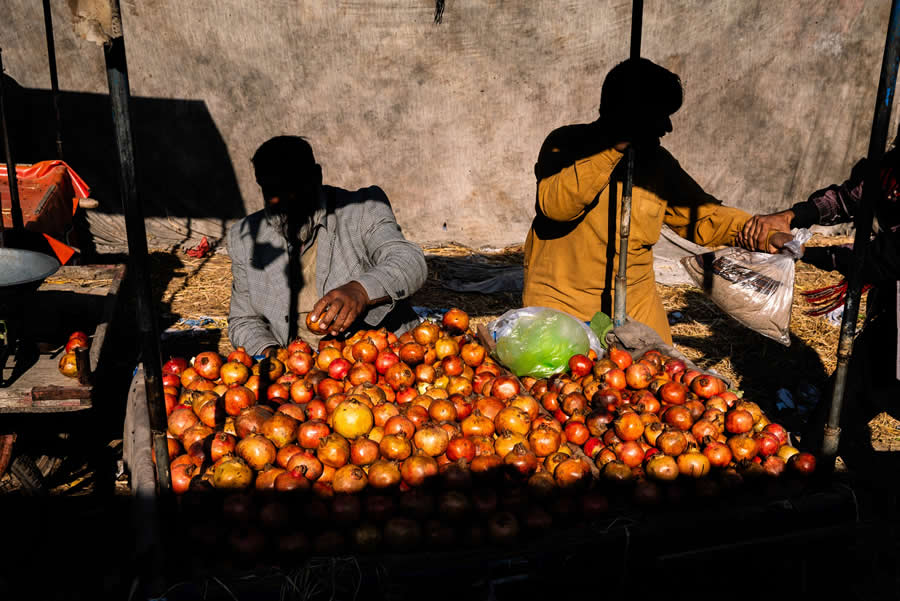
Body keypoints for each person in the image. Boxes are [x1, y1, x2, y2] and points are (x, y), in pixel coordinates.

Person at [523, 58, 754, 344]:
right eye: (660, 115)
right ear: (632, 113)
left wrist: (758, 230)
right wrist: (613, 148)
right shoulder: (567, 143)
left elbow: (702, 216)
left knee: (664, 377)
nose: (668, 127)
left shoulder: (657, 163)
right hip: (563, 305)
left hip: (635, 304)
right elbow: (557, 207)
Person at [739, 144, 900, 447]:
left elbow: (881, 259)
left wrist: (802, 252)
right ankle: (818, 457)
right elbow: (850, 197)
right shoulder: (892, 167)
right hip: (890, 319)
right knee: (839, 407)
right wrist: (793, 215)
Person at [227, 136, 427, 356]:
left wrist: (360, 291)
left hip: (376, 357)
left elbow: (409, 261)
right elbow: (243, 319)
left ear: (316, 177)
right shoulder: (245, 238)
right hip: (298, 371)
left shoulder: (363, 209)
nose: (283, 200)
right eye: (271, 191)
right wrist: (272, 355)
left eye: (292, 187)